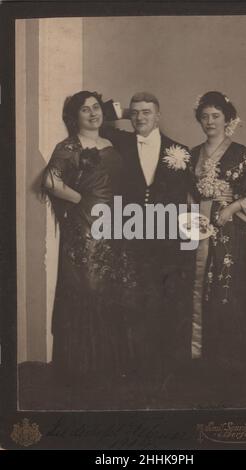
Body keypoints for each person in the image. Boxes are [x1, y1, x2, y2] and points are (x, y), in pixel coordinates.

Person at [42, 91, 137, 388]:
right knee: (89, 287)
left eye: (96, 108)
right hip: (86, 226)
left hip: (115, 224)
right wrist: (80, 198)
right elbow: (49, 180)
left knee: (111, 287)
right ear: (75, 117)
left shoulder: (111, 142)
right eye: (85, 110)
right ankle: (84, 371)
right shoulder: (69, 146)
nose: (93, 113)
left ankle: (111, 367)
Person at [103, 92, 194, 396]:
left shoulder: (179, 151)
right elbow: (98, 125)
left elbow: (185, 200)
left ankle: (166, 371)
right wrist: (111, 110)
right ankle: (137, 369)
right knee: (136, 302)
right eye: (136, 113)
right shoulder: (121, 142)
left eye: (146, 112)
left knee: (167, 302)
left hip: (167, 240)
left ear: (158, 115)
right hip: (131, 234)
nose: (140, 118)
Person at [189, 91, 246, 373]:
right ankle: (198, 356)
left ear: (227, 119)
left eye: (216, 116)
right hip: (196, 228)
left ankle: (230, 359)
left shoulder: (245, 156)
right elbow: (185, 194)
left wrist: (230, 208)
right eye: (205, 116)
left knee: (227, 287)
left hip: (227, 230)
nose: (210, 121)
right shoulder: (192, 155)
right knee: (197, 288)